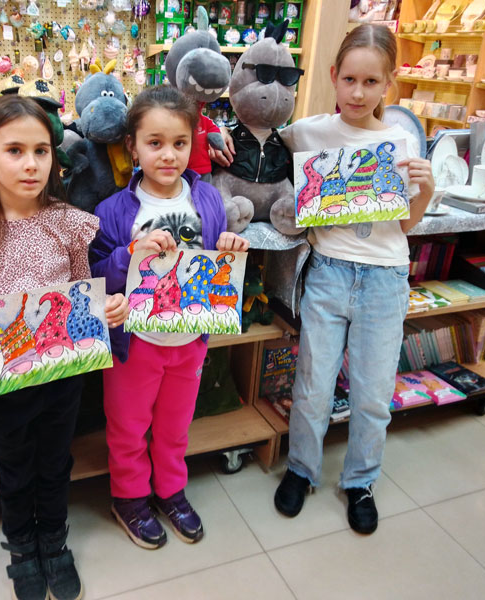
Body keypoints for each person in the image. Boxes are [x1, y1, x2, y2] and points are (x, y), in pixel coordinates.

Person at [0, 94, 129, 600]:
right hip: (4, 384)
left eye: (41, 151)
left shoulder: (66, 222)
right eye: (15, 151)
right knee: (15, 469)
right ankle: (22, 548)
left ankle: (54, 543)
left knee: (56, 462)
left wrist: (106, 308)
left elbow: (81, 290)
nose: (32, 164)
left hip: (62, 374)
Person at [274, 24, 434, 534]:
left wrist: (426, 192)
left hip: (385, 279)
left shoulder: (400, 141)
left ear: (389, 83)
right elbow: (264, 140)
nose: (359, 93)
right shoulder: (309, 132)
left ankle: (360, 481)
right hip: (329, 273)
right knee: (313, 384)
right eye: (349, 79)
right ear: (333, 76)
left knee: (371, 392)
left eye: (371, 82)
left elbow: (404, 225)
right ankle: (301, 469)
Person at [89, 85, 250, 549]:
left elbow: (216, 265)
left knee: (175, 426)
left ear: (192, 143)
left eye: (179, 143)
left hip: (189, 341)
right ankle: (129, 497)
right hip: (135, 344)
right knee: (128, 427)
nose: (168, 155)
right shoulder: (112, 210)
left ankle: (170, 490)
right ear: (132, 146)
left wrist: (230, 249)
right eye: (155, 143)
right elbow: (95, 275)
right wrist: (128, 254)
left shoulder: (208, 200)